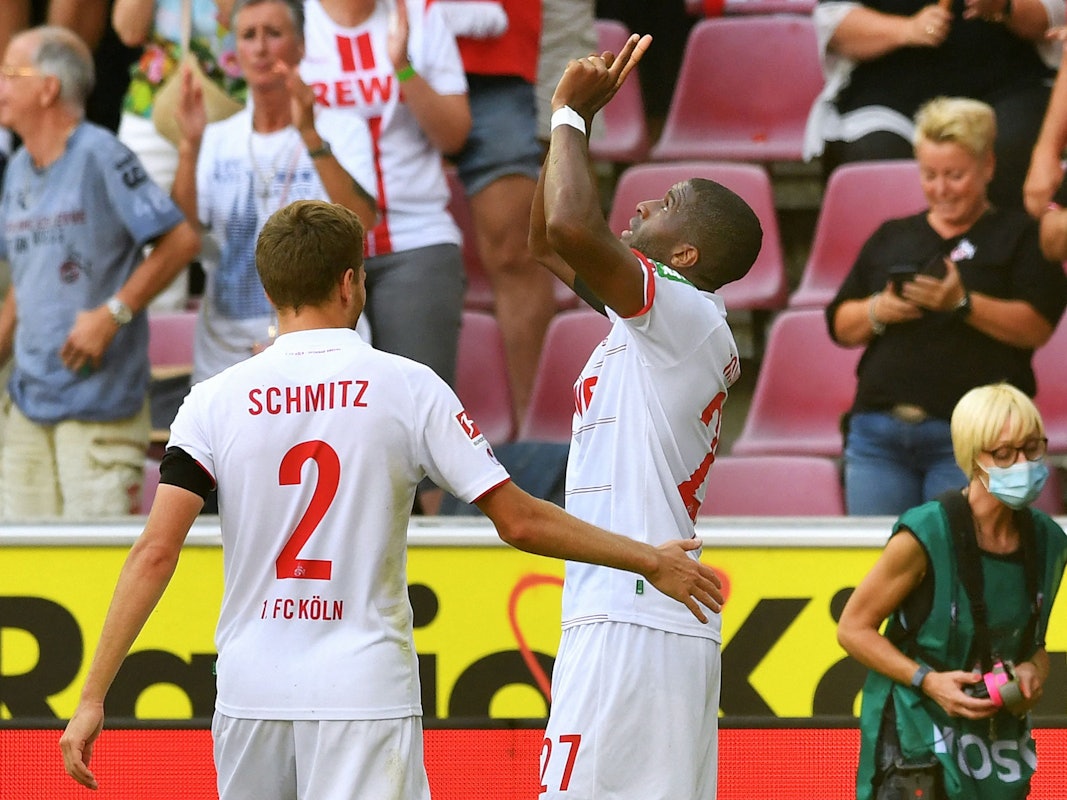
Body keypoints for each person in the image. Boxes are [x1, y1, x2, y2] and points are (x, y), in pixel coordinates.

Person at [57, 199, 724, 798]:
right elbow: (517, 520)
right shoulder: (406, 387)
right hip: (362, 691)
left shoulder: (212, 400)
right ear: (352, 283)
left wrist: (91, 698)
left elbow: (154, 553)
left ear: (269, 288)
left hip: (250, 694)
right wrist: (646, 559)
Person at [530, 36, 763, 799]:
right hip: (639, 613)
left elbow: (570, 228)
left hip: (632, 616)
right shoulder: (659, 324)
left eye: (661, 206)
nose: (640, 203)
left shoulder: (683, 314)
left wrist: (569, 113)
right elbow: (544, 241)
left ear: (687, 255)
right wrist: (568, 127)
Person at [827, 96, 1067, 516]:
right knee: (874, 561)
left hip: (975, 438)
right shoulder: (893, 234)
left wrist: (961, 302)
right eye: (929, 175)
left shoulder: (1020, 237)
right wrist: (878, 311)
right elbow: (839, 323)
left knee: (959, 564)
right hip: (877, 433)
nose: (940, 188)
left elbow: (1037, 326)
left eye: (955, 175)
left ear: (988, 167)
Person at [0, 25, 200, 519]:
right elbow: (24, 284)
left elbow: (180, 241)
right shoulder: (18, 167)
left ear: (48, 87)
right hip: (27, 408)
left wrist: (114, 314)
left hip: (99, 412)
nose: (0, 85)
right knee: (21, 575)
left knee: (91, 577)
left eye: (9, 72)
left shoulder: (101, 154)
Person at [838, 381, 1067, 800]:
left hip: (995, 745)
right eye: (1003, 453)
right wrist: (928, 680)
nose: (1023, 463)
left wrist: (1034, 672)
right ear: (972, 458)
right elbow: (853, 628)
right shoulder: (926, 532)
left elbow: (1033, 644)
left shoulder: (1050, 541)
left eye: (1033, 448)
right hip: (916, 741)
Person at [172, 0, 377, 383]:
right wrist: (189, 148)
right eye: (249, 35)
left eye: (274, 33)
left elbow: (363, 222)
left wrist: (311, 135)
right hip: (225, 355)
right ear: (235, 50)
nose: (261, 48)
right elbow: (184, 237)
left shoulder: (343, 129)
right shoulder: (215, 139)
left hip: (325, 351)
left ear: (301, 45)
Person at [299, 0, 470, 389]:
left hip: (416, 236)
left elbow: (454, 136)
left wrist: (403, 67)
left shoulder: (421, 13)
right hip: (316, 245)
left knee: (418, 407)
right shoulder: (289, 15)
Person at [803, 0, 1064, 210]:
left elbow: (1054, 18)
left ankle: (1008, 268)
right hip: (887, 92)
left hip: (1005, 85)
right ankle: (896, 269)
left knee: (1015, 143)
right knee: (873, 152)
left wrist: (1005, 7)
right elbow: (833, 23)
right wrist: (905, 29)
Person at [443, 0, 558, 424]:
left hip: (496, 54)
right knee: (361, 245)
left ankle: (536, 433)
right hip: (371, 46)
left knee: (516, 251)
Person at [112, 0, 249, 310]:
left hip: (234, 100)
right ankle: (163, 351)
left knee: (238, 236)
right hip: (154, 105)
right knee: (146, 241)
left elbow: (243, 16)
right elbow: (129, 30)